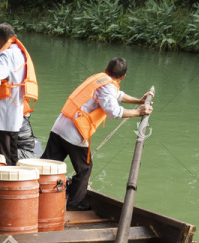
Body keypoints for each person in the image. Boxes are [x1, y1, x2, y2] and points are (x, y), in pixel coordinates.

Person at [42, 58, 152, 211]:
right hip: (75, 132)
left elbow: (117, 95)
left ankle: (37, 193)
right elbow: (113, 112)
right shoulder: (108, 86)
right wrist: (138, 112)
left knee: (47, 164)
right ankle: (74, 203)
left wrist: (139, 101)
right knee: (85, 168)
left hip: (60, 125)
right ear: (123, 77)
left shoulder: (99, 78)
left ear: (106, 69)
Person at [0, 23, 38, 166]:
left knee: (1, 153)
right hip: (16, 108)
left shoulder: (6, 53)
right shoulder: (20, 52)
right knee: (13, 150)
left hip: (5, 110)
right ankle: (13, 179)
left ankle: (3, 183)